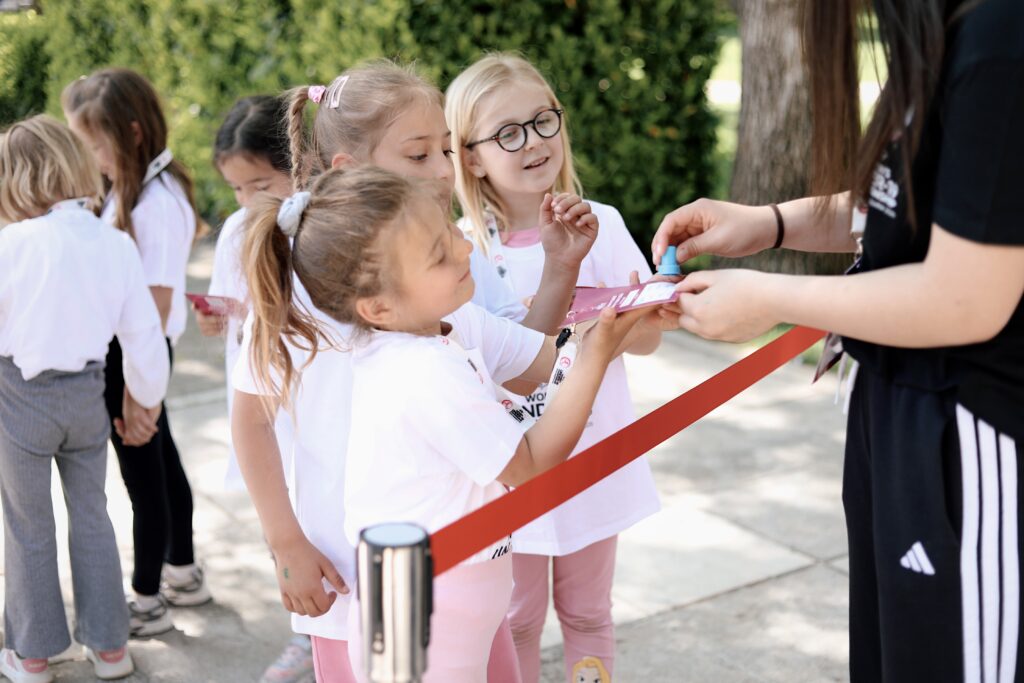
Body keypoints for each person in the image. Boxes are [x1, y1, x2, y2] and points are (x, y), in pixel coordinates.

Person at [652, 1, 1024, 680]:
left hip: (971, 434)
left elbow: (966, 296)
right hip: (898, 416)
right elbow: (902, 203)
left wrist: (769, 297)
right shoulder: (942, 32)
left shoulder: (1001, 36)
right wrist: (769, 223)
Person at [231, 60, 596, 683]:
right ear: (351, 170)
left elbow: (521, 359)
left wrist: (562, 273)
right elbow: (251, 419)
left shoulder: (446, 263)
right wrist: (285, 541)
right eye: (419, 154)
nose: (445, 170)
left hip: (462, 566)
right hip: (352, 573)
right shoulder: (297, 299)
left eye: (447, 150)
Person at [446, 53, 662, 682]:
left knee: (589, 613)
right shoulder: (460, 247)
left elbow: (649, 337)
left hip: (594, 458)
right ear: (471, 157)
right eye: (508, 133)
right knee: (513, 619)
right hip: (512, 470)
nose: (534, 142)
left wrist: (601, 332)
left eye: (543, 121)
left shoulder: (601, 224)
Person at [0, 115, 169, 681]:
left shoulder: (10, 244)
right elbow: (143, 336)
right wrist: (145, 399)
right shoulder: (114, 243)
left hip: (20, 398)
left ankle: (33, 654)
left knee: (28, 526)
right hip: (87, 397)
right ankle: (111, 648)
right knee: (93, 515)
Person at [63, 68, 209, 638]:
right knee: (162, 468)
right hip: (136, 356)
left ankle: (147, 598)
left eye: (96, 145)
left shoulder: (155, 205)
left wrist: (137, 392)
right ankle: (183, 573)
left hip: (134, 359)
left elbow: (153, 307)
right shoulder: (139, 190)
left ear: (131, 133)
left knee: (144, 481)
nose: (93, 158)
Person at [201, 94, 313, 683]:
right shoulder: (237, 231)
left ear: (300, 162)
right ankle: (307, 631)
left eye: (260, 184)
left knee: (325, 507)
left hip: (312, 391)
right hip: (262, 399)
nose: (247, 201)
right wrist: (216, 318)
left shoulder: (324, 223)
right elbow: (232, 308)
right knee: (280, 509)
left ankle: (339, 629)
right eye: (237, 189)